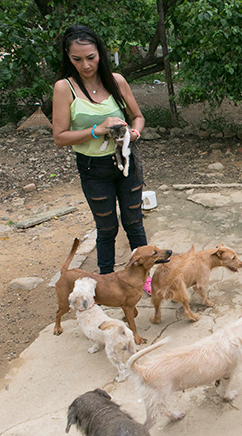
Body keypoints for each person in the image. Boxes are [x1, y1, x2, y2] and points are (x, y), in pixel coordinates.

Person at [52, 25, 147, 275]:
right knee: (106, 228)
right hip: (94, 168)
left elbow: (138, 117)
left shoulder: (116, 81)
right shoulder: (65, 88)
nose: (85, 65)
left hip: (126, 163)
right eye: (77, 59)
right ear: (67, 57)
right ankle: (106, 279)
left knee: (134, 223)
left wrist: (134, 133)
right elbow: (60, 137)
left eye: (90, 57)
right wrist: (97, 130)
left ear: (100, 54)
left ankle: (144, 276)